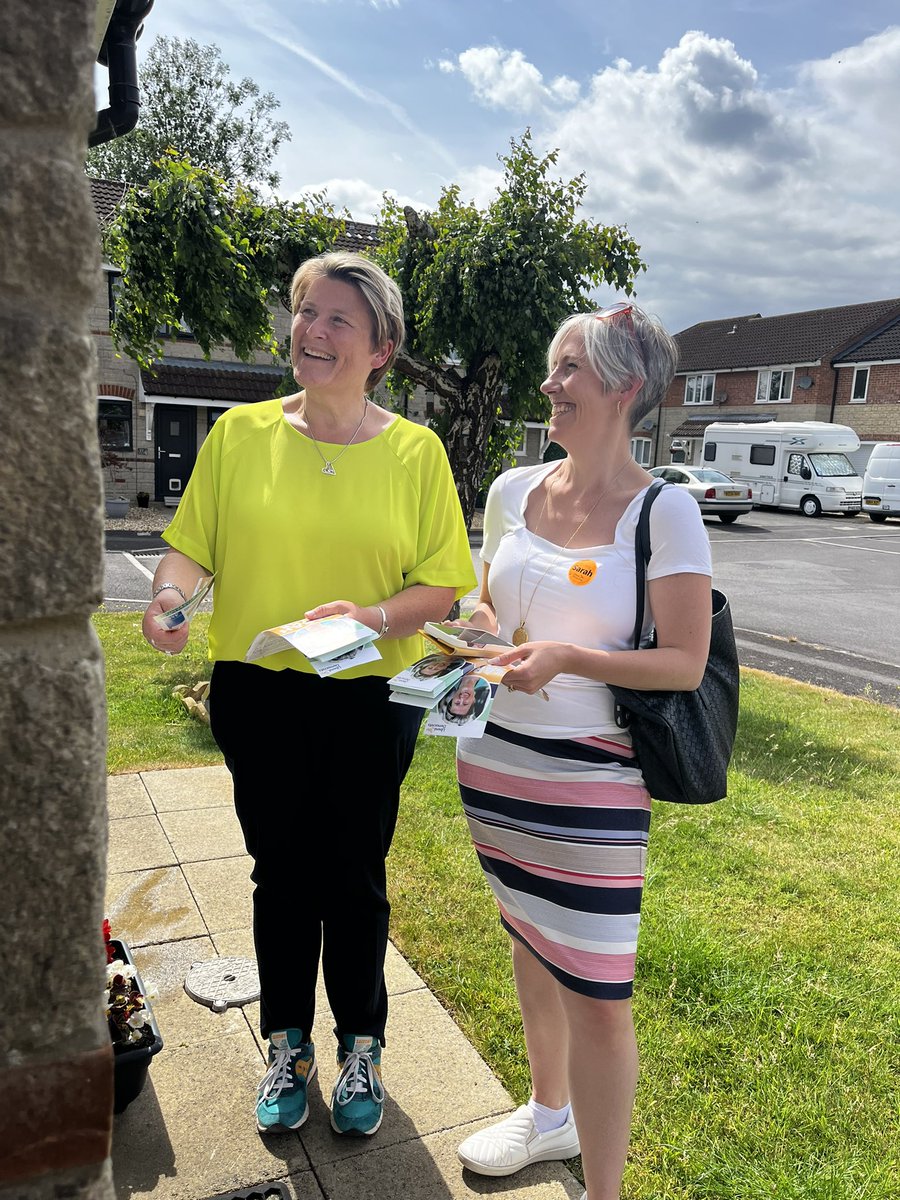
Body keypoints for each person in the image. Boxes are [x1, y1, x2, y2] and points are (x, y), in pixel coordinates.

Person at [142, 251, 476, 1138]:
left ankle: (361, 1042)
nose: (313, 332)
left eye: (339, 321)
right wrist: (168, 596)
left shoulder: (416, 452)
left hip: (369, 695)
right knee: (280, 873)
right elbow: (191, 550)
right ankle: (285, 1045)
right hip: (258, 688)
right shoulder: (240, 435)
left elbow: (440, 587)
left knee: (355, 878)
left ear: (382, 349)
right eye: (305, 313)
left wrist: (369, 611)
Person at [453, 303, 712, 1200]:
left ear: (624, 387)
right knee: (529, 941)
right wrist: (481, 636)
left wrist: (565, 658)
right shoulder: (513, 490)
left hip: (592, 780)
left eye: (568, 369)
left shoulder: (665, 511)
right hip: (494, 765)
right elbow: (486, 602)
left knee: (599, 996)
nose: (548, 385)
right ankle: (548, 1116)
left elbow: (683, 661)